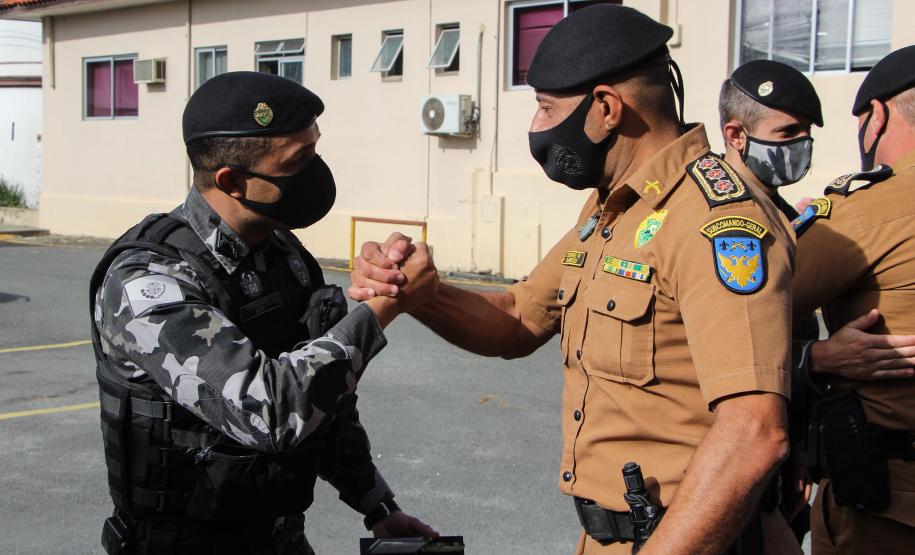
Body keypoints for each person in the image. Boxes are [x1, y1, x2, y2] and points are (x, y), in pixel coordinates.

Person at [351, 5, 797, 554]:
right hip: (613, 537)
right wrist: (419, 293)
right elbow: (519, 318)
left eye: (546, 108)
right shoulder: (615, 207)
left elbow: (754, 431)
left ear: (606, 108)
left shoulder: (716, 222)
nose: (538, 127)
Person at [89, 71, 438, 555]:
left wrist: (378, 506)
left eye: (315, 150)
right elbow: (270, 412)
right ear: (232, 181)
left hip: (279, 539)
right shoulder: (150, 281)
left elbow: (326, 408)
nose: (316, 172)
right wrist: (386, 306)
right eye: (298, 161)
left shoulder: (284, 255)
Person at [791, 45, 915, 554]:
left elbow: (742, 308)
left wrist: (813, 357)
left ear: (876, 116)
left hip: (888, 506)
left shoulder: (868, 210)